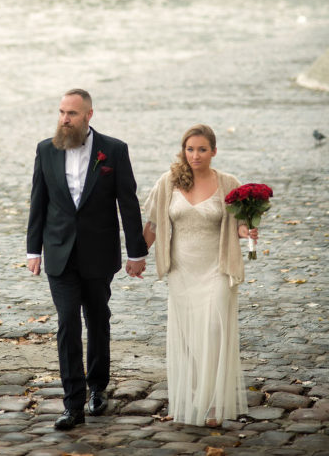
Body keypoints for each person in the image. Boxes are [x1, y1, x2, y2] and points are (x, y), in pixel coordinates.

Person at [27, 89, 147, 430]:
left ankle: (97, 388)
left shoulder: (114, 150)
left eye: (72, 114)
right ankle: (72, 404)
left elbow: (128, 203)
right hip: (59, 253)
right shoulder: (45, 149)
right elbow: (38, 200)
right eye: (62, 112)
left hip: (99, 252)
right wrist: (33, 250)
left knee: (97, 320)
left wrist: (136, 251)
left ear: (89, 115)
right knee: (67, 323)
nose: (65, 119)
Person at [143, 124, 258, 427]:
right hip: (182, 270)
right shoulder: (168, 183)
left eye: (202, 149)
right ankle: (196, 397)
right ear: (184, 150)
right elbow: (153, 225)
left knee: (213, 330)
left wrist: (248, 230)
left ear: (213, 151)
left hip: (217, 267)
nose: (195, 155)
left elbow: (239, 226)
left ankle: (214, 404)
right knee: (189, 339)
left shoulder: (228, 183)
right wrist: (136, 256)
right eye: (190, 149)